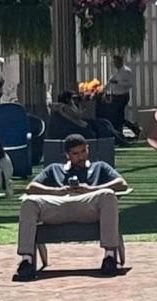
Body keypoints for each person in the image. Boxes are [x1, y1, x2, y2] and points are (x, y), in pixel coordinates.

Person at [15, 133, 128, 280]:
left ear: (88, 149)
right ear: (67, 155)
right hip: (59, 205)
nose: (81, 156)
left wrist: (91, 189)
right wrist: (57, 191)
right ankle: (26, 261)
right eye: (75, 153)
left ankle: (110, 258)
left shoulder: (100, 167)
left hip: (87, 205)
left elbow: (122, 184)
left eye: (83, 151)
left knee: (107, 194)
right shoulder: (54, 169)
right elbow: (30, 187)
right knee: (28, 202)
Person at [105, 53, 137, 140]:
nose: (115, 64)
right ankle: (121, 132)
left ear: (121, 61)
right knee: (117, 116)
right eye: (114, 62)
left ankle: (132, 129)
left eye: (116, 62)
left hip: (122, 95)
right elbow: (110, 82)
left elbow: (130, 84)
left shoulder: (126, 71)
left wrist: (118, 83)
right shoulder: (116, 71)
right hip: (115, 95)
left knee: (119, 116)